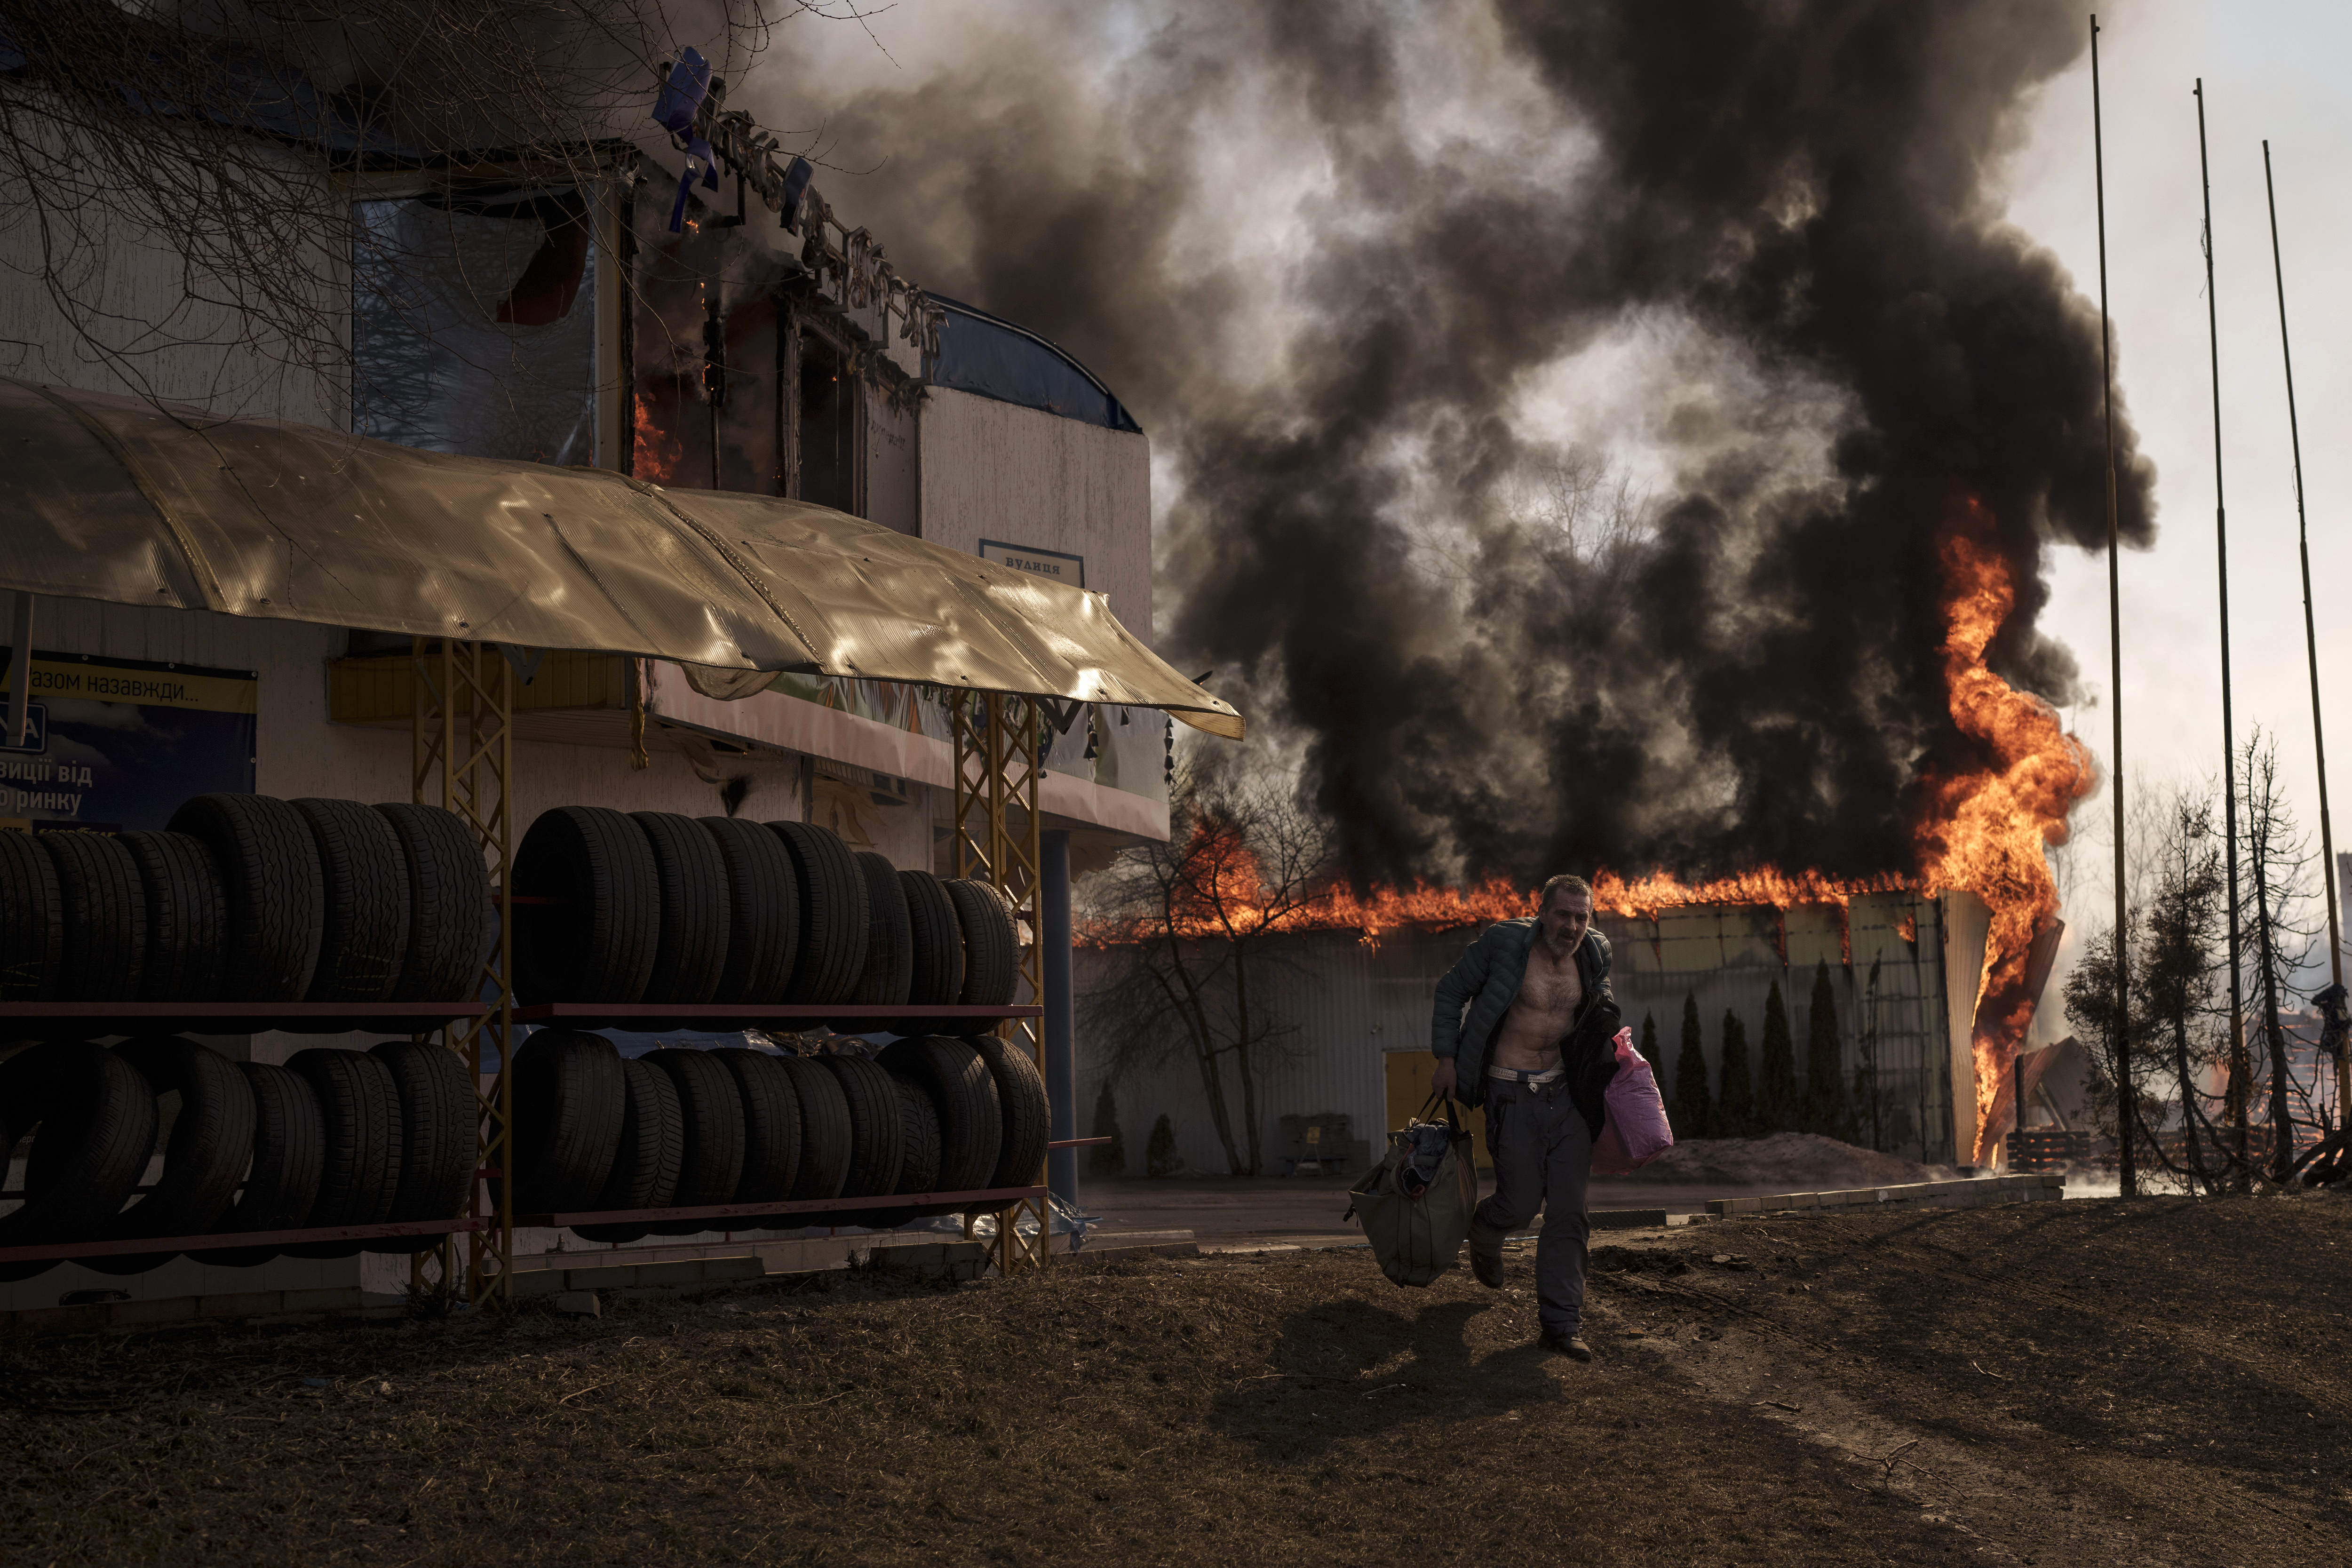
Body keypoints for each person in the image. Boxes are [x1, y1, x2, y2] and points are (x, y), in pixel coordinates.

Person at [1428, 873, 1620, 1360]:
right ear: (1541, 913)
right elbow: (1450, 992)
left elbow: (1600, 1006)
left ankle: (1560, 1325)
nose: (1571, 925)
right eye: (1562, 914)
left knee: (1568, 1212)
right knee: (1519, 1204)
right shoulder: (1502, 944)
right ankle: (1487, 1228)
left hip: (1565, 1096)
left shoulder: (1594, 952)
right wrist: (1446, 1060)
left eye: (1581, 916)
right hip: (1509, 1092)